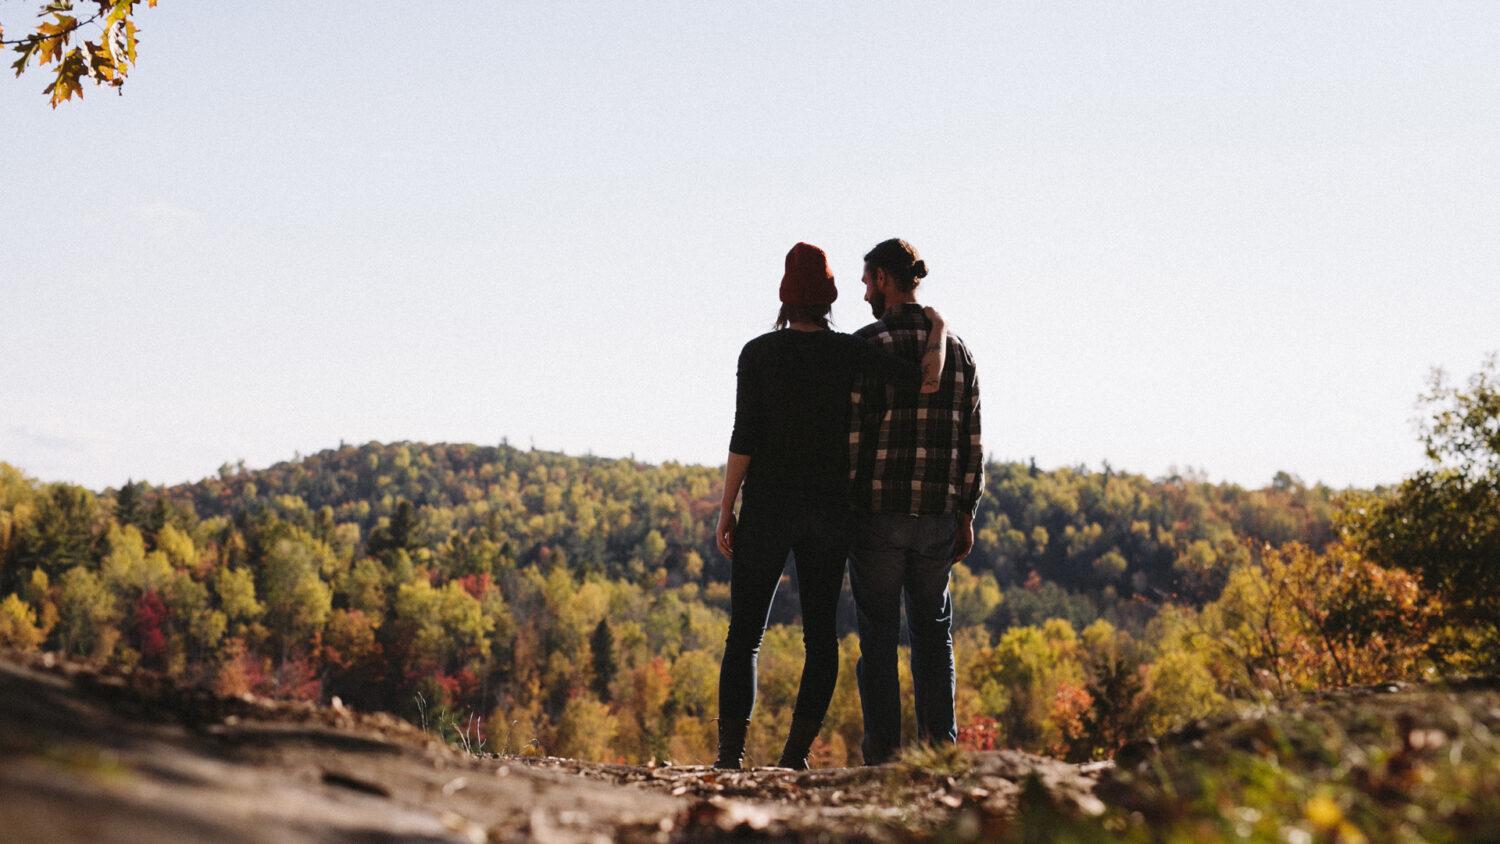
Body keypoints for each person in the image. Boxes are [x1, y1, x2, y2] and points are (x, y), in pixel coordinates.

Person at [713, 242, 947, 770]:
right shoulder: (849, 352)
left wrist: (727, 507)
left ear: (784, 298)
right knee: (820, 639)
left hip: (768, 508)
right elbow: (926, 380)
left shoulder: (757, 354)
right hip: (829, 512)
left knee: (745, 634)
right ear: (830, 297)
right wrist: (938, 326)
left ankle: (730, 758)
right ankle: (793, 758)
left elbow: (743, 437)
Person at [846, 238, 982, 765]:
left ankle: (883, 756)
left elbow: (854, 436)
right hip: (936, 517)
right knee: (933, 634)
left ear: (883, 277)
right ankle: (938, 753)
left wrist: (848, 504)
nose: (863, 292)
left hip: (878, 514)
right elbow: (972, 438)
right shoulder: (959, 352)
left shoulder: (869, 345)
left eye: (866, 281)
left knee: (877, 636)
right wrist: (966, 511)